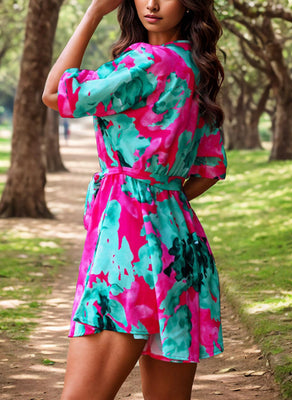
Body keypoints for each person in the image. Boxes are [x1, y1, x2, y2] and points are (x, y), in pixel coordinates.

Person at [42, 0, 227, 399]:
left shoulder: (143, 62)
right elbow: (210, 169)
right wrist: (161, 200)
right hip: (181, 249)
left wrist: (93, 13)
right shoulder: (199, 70)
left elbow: (55, 93)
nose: (154, 3)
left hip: (127, 248)